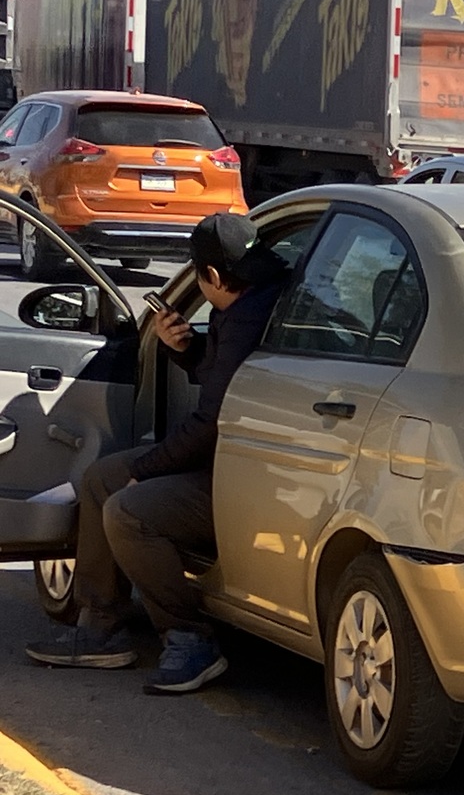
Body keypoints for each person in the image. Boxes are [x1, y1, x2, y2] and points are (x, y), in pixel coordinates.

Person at [27, 212, 289, 694]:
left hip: (244, 477)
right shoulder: (253, 302)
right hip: (234, 463)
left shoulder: (249, 317)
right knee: (103, 477)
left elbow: (211, 422)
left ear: (209, 276)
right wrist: (186, 350)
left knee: (128, 507)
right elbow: (223, 382)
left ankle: (188, 637)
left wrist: (147, 470)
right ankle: (100, 625)